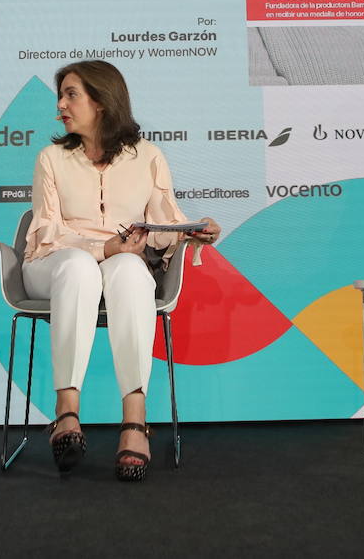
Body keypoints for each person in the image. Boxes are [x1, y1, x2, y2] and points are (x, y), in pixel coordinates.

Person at [25, 60, 220, 481]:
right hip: (53, 266)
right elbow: (47, 233)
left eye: (71, 94)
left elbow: (163, 224)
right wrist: (101, 246)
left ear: (102, 101)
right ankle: (66, 412)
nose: (61, 104)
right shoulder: (51, 158)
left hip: (118, 264)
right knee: (79, 265)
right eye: (61, 95)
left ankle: (135, 419)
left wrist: (193, 232)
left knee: (132, 269)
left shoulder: (147, 156)